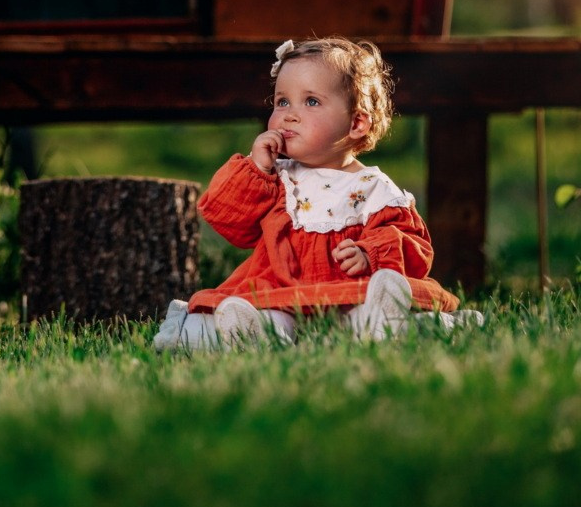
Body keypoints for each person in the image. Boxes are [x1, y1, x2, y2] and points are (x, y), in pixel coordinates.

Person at [155, 36, 478, 351]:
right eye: (282, 101)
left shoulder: (374, 189)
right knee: (261, 314)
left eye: (311, 101)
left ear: (356, 123)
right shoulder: (275, 178)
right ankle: (258, 336)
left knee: (358, 315)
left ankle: (383, 321)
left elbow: (415, 249)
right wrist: (256, 167)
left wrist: (370, 254)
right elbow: (230, 222)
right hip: (279, 291)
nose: (289, 114)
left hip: (346, 295)